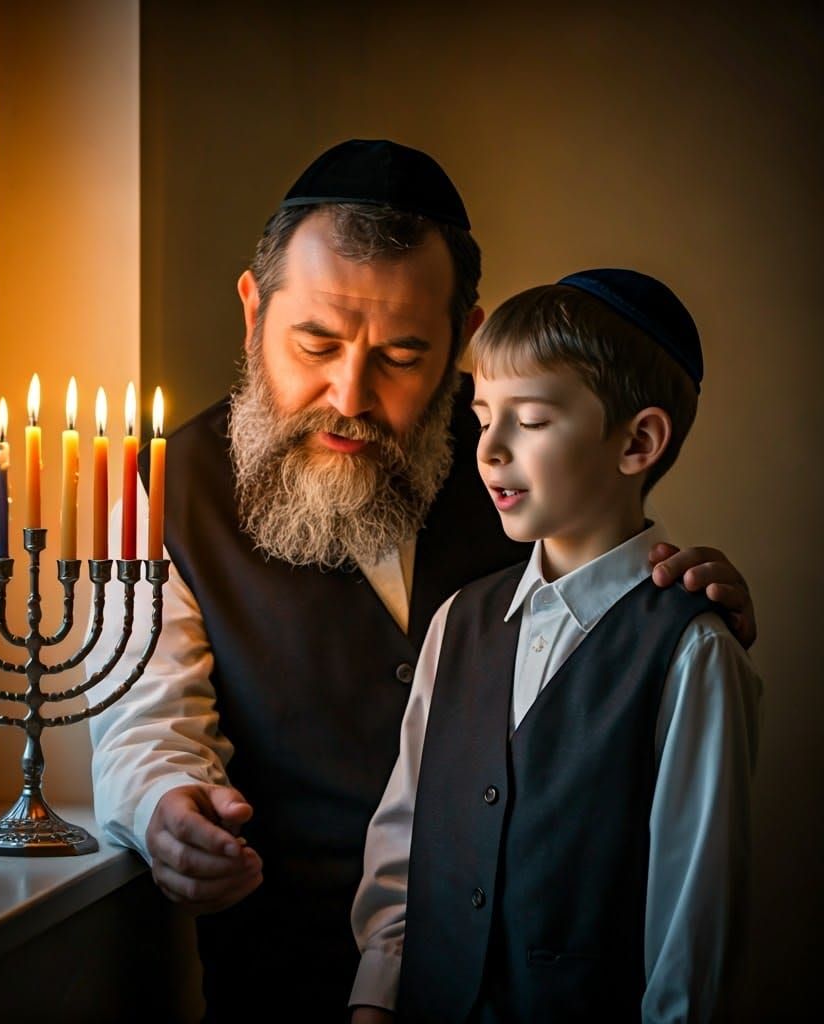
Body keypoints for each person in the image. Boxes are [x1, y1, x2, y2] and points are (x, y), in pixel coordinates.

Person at [87, 140, 757, 1022]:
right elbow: (146, 719)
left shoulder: (528, 467)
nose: (350, 394)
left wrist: (682, 600)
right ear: (253, 310)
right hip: (279, 986)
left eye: (402, 357)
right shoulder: (163, 492)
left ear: (461, 338)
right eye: (316, 344)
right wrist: (163, 804)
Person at [349, 270, 762, 1023]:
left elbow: (691, 930)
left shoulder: (694, 652)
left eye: (532, 420)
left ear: (637, 442)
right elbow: (404, 837)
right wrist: (374, 1001)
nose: (490, 449)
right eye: (483, 416)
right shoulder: (457, 622)